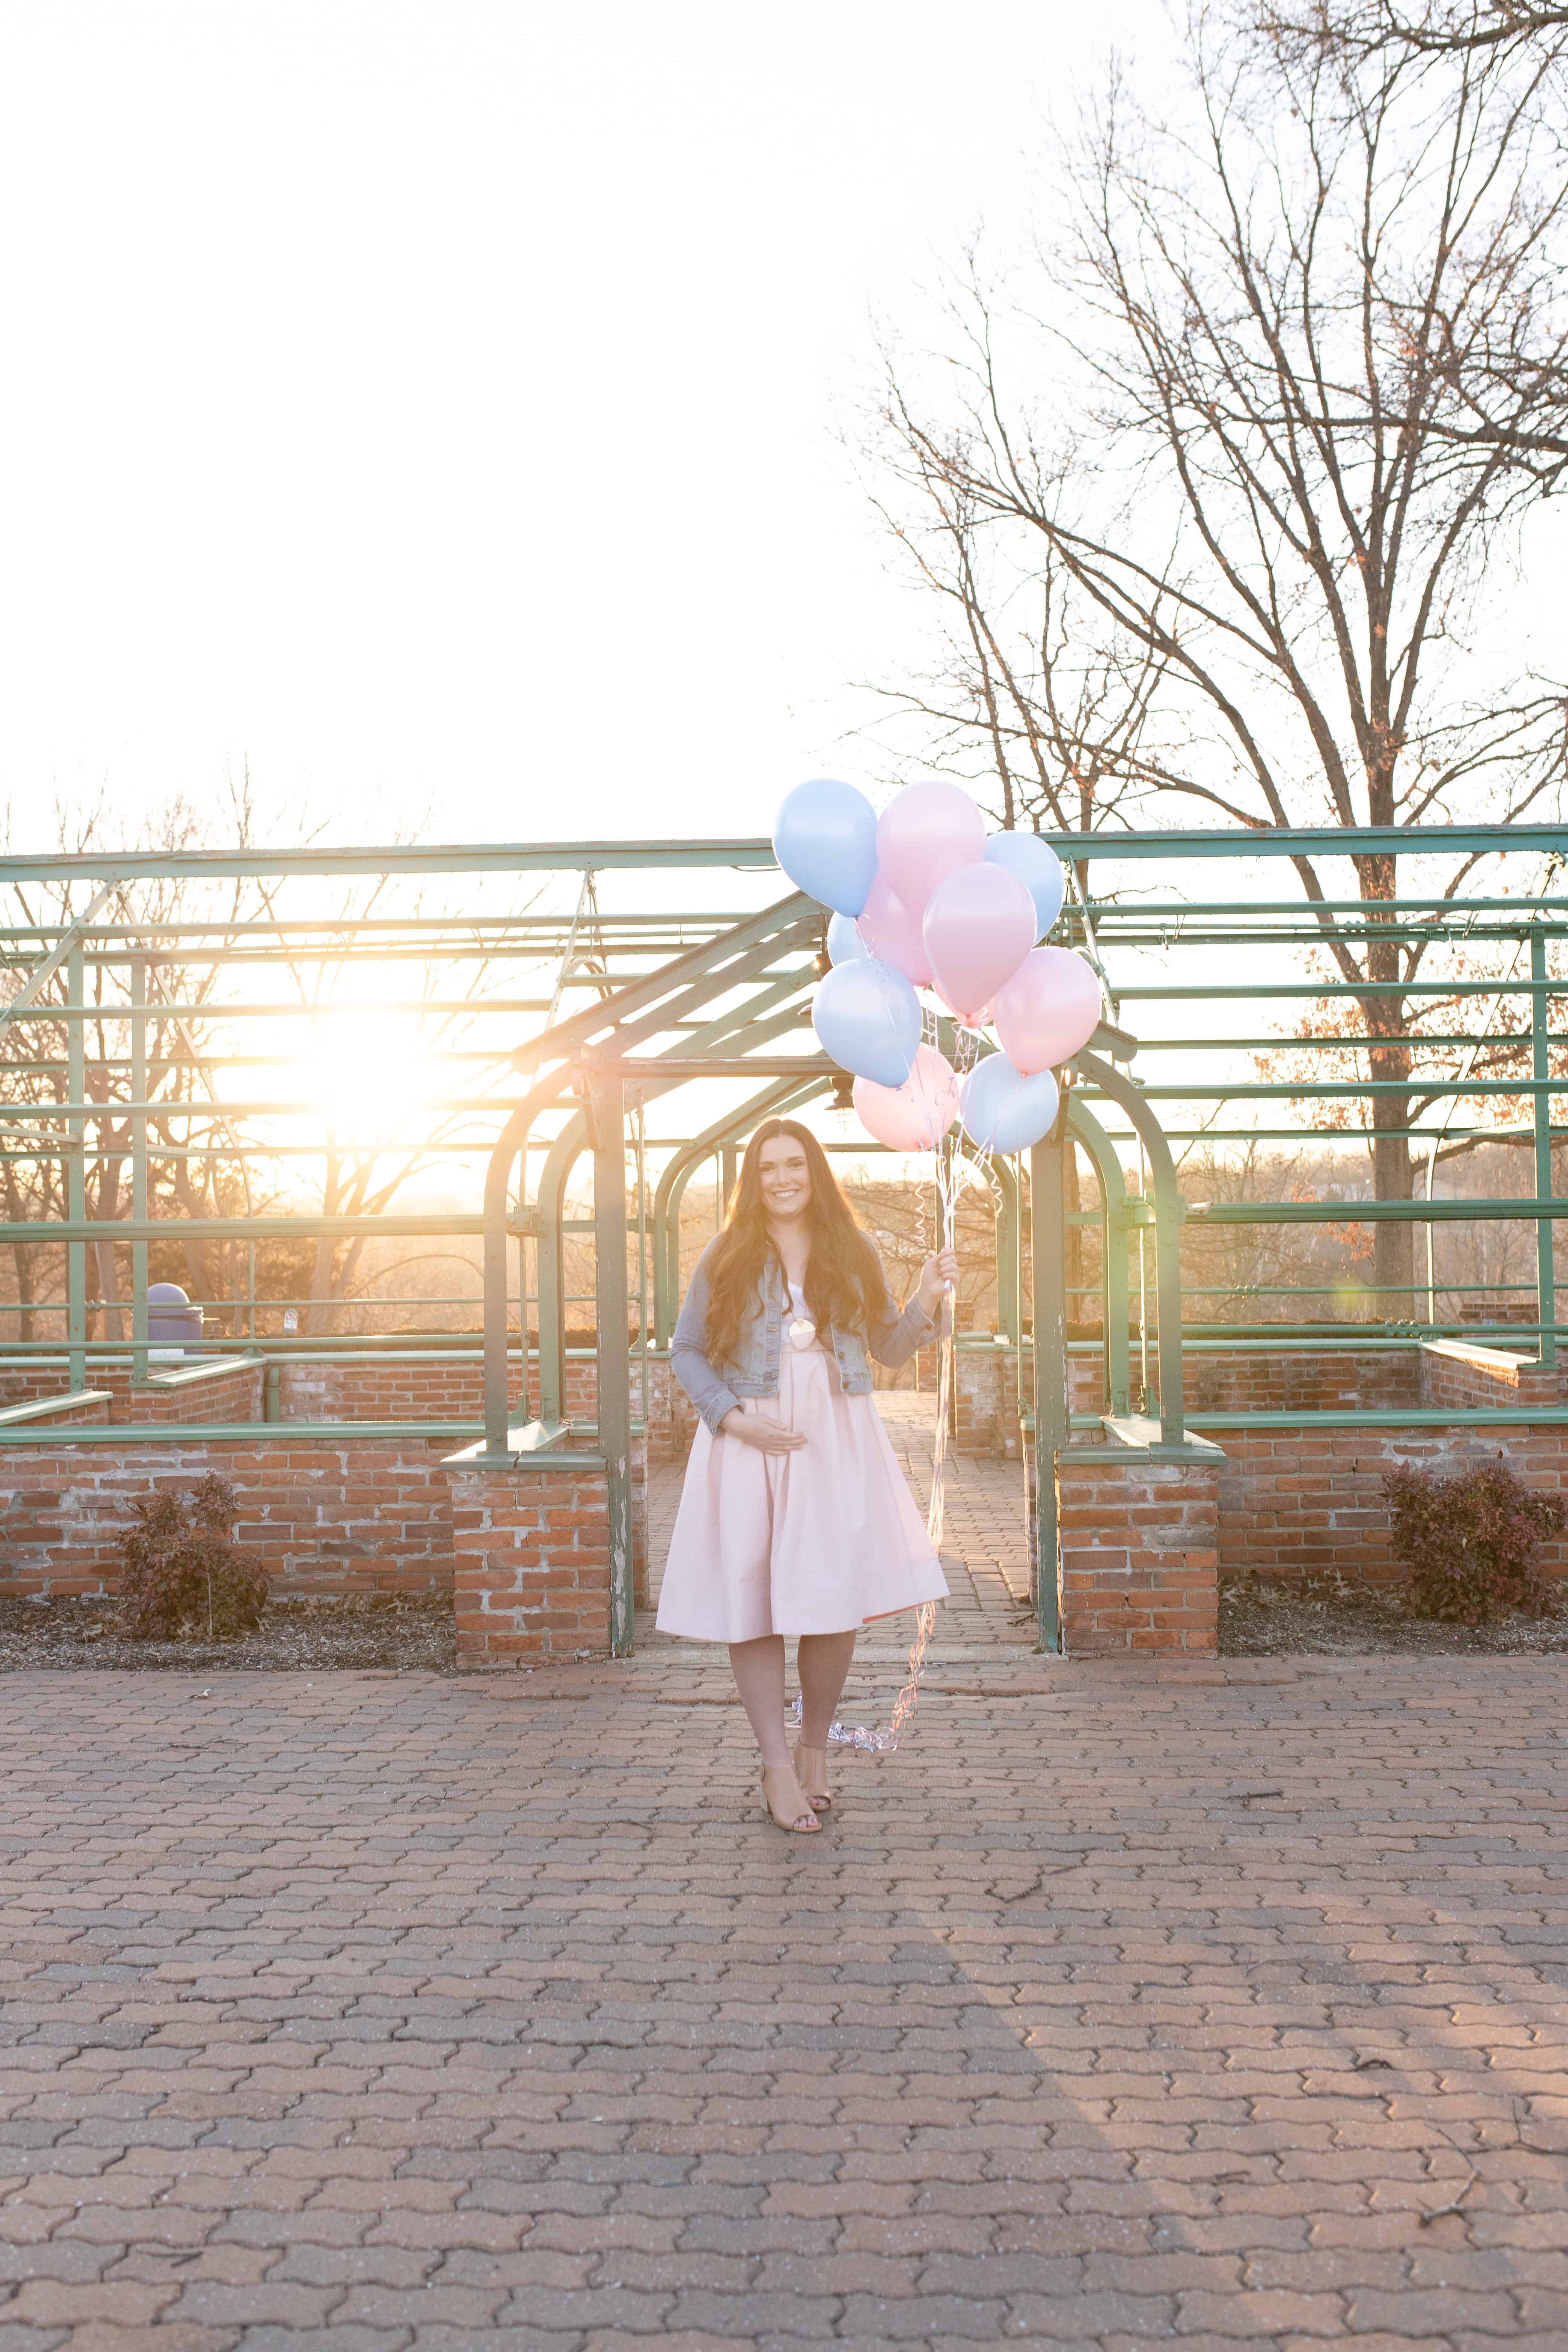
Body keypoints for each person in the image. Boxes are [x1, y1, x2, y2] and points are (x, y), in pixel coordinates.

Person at [656, 1117, 957, 1833]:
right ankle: (776, 1765)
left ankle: (815, 1749)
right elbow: (686, 1351)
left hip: (832, 1440)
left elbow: (888, 1346)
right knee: (754, 1599)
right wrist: (733, 1418)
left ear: (814, 1172)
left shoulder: (853, 1250)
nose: (783, 1178)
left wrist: (926, 1297)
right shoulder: (725, 1254)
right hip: (751, 1441)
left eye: (795, 1164)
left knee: (831, 1598)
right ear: (752, 1181)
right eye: (768, 1168)